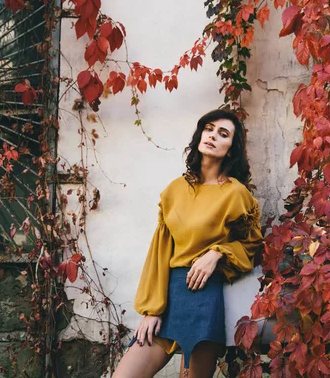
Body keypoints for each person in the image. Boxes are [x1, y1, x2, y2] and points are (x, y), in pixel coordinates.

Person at [112, 109, 263, 378]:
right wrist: (151, 310)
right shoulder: (175, 190)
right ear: (199, 135)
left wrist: (218, 253)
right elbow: (159, 252)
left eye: (223, 133)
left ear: (231, 150)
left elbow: (252, 244)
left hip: (205, 298)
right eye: (209, 128)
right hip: (169, 295)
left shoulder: (236, 193)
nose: (213, 136)